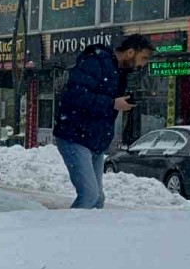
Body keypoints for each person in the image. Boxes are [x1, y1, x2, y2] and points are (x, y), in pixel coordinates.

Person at [53, 34, 153, 209]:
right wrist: (113, 103)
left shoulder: (119, 72)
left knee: (98, 199)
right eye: (143, 58)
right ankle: (67, 233)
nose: (142, 64)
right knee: (90, 195)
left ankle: (91, 235)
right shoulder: (96, 62)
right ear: (130, 52)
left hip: (94, 139)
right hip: (75, 136)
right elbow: (75, 95)